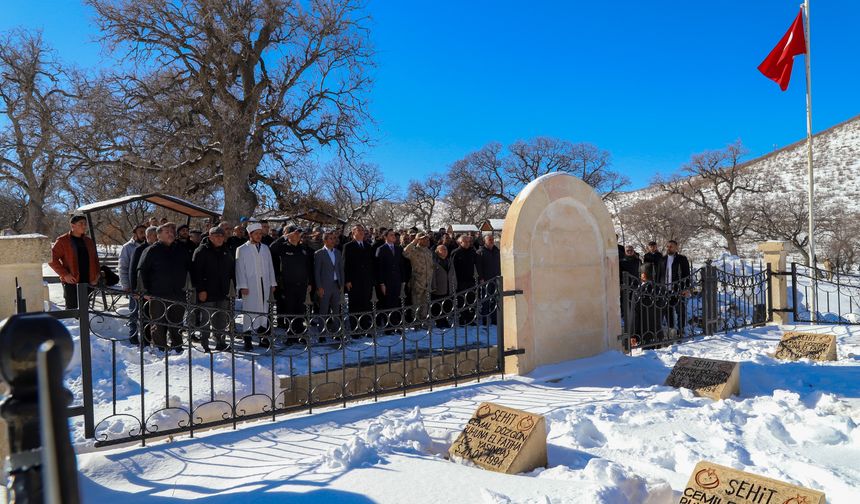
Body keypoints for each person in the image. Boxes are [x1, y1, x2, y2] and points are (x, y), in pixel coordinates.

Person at [137, 224, 190, 352]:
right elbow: (141, 271)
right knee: (158, 324)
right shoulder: (151, 250)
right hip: (157, 293)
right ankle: (160, 349)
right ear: (158, 235)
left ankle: (177, 348)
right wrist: (144, 291)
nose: (171, 234)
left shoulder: (180, 250)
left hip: (177, 293)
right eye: (167, 232)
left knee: (176, 323)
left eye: (172, 231)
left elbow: (189, 269)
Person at [191, 226, 234, 352]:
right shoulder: (201, 251)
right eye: (216, 236)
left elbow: (231, 270)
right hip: (207, 291)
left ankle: (220, 342)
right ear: (210, 237)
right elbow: (196, 272)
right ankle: (205, 343)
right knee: (206, 318)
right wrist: (201, 290)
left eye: (221, 236)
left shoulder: (226, 251)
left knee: (221, 319)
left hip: (223, 290)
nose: (219, 238)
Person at [235, 222, 277, 350]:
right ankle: (247, 339)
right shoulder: (242, 249)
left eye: (260, 234)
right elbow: (239, 269)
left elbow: (270, 266)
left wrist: (272, 283)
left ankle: (262, 337)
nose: (259, 236)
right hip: (250, 285)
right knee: (249, 311)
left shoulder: (265, 248)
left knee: (264, 311)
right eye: (256, 234)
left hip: (264, 283)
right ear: (250, 234)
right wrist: (243, 285)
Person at [49, 214, 101, 310]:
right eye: (81, 223)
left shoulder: (89, 241)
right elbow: (51, 259)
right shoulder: (63, 241)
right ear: (72, 226)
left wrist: (96, 276)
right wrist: (65, 274)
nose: (84, 226)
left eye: (85, 224)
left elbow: (95, 260)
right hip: (72, 282)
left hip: (89, 282)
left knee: (87, 311)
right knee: (72, 311)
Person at [270, 225, 314, 338]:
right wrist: (285, 237)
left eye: (299, 234)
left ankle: (300, 332)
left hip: (302, 284)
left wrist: (310, 282)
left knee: (300, 309)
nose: (298, 235)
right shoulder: (283, 247)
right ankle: (291, 334)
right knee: (290, 309)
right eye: (295, 233)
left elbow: (308, 267)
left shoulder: (303, 248)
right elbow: (272, 248)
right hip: (288, 284)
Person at [128, 226, 158, 345]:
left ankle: (155, 338)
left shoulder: (159, 248)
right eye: (154, 235)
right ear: (148, 236)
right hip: (142, 288)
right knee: (144, 314)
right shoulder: (140, 249)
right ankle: (144, 340)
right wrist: (134, 289)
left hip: (156, 286)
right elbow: (132, 270)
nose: (157, 238)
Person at [343, 224, 375, 333]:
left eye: (362, 230)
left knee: (366, 304)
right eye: (359, 230)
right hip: (354, 281)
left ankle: (365, 327)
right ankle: (355, 330)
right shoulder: (348, 246)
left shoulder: (368, 246)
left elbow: (371, 264)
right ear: (353, 233)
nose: (362, 232)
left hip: (366, 281)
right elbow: (345, 264)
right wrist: (347, 280)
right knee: (355, 305)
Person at [657, 240, 691, 336]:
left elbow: (686, 274)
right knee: (667, 311)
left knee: (680, 310)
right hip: (665, 289)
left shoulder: (682, 259)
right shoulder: (662, 260)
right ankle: (671, 330)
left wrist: (686, 288)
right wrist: (659, 288)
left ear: (676, 247)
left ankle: (681, 330)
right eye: (667, 246)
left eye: (671, 246)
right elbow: (659, 276)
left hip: (678, 289)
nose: (669, 248)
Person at [119, 224, 147, 339]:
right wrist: (126, 285)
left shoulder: (148, 246)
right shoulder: (127, 247)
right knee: (134, 312)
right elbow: (123, 267)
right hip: (133, 285)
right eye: (141, 232)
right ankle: (133, 336)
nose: (143, 235)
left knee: (146, 313)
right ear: (134, 233)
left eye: (144, 232)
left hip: (145, 285)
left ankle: (146, 336)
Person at [314, 231, 345, 333]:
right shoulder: (319, 253)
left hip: (336, 285)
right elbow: (317, 272)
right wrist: (319, 287)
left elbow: (341, 269)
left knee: (336, 310)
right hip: (325, 286)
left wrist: (341, 284)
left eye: (334, 238)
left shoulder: (337, 252)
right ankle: (322, 331)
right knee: (324, 310)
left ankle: (336, 331)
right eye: (331, 238)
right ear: (325, 240)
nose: (333, 240)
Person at [375, 229, 404, 331]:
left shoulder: (398, 249)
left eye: (394, 235)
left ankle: (396, 324)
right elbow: (379, 267)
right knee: (387, 303)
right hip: (386, 281)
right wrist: (382, 283)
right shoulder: (381, 249)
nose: (394, 237)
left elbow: (400, 265)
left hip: (396, 280)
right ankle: (389, 327)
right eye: (391, 235)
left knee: (396, 302)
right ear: (385, 237)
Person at [403, 232, 434, 323]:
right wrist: (414, 242)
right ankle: (416, 321)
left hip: (427, 281)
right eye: (424, 239)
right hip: (417, 281)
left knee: (425, 303)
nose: (427, 240)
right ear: (419, 240)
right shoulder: (414, 250)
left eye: (427, 239)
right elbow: (405, 252)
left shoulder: (428, 251)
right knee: (416, 302)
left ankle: (424, 320)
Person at [450, 235, 477, 325]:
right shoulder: (456, 252)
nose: (467, 243)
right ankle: (462, 319)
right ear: (460, 242)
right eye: (465, 241)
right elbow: (452, 269)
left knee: (470, 300)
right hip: (460, 281)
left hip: (470, 280)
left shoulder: (472, 252)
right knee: (461, 300)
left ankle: (470, 319)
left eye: (469, 242)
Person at [475, 233, 501, 324]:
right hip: (486, 279)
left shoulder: (497, 251)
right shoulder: (480, 252)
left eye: (492, 240)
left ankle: (495, 319)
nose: (491, 241)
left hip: (497, 279)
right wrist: (481, 278)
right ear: (484, 241)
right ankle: (485, 320)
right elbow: (479, 267)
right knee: (485, 300)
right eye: (489, 240)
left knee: (495, 299)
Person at [430, 244, 457, 328]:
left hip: (448, 288)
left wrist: (455, 285)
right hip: (438, 288)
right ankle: (439, 322)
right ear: (437, 251)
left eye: (446, 249)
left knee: (447, 305)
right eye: (443, 250)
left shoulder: (449, 261)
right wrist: (434, 287)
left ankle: (445, 320)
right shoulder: (434, 262)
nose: (445, 251)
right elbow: (432, 276)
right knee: (438, 306)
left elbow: (453, 274)